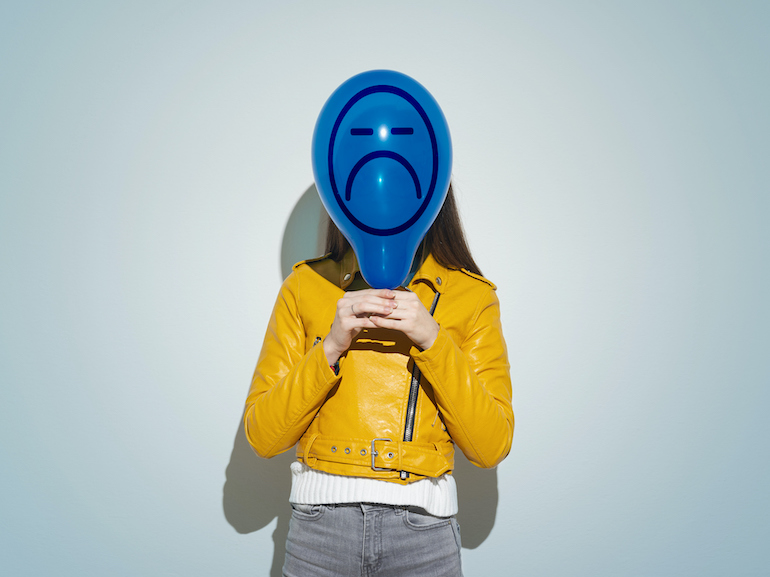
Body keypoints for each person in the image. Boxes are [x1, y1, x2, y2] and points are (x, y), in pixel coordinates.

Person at [244, 184, 513, 577]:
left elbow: (490, 446)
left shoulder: (472, 297)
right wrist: (330, 347)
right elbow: (263, 436)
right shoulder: (304, 288)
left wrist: (434, 341)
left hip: (424, 536)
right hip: (319, 534)